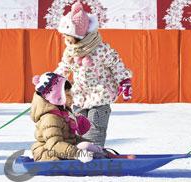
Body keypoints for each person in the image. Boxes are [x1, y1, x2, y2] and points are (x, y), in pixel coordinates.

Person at [52, 1, 133, 148]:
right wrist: (53, 82)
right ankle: (78, 152)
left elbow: (116, 64)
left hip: (101, 94)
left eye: (67, 36)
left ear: (78, 35)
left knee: (95, 126)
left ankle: (94, 152)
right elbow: (64, 67)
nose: (65, 39)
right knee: (77, 126)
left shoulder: (100, 49)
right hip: (80, 96)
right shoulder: (71, 50)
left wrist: (124, 81)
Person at [30, 72, 103, 163]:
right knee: (83, 148)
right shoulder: (50, 118)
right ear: (56, 97)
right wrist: (77, 153)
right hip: (46, 154)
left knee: (86, 146)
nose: (72, 99)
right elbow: (54, 145)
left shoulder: (62, 113)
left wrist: (92, 146)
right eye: (68, 95)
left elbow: (70, 137)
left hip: (61, 150)